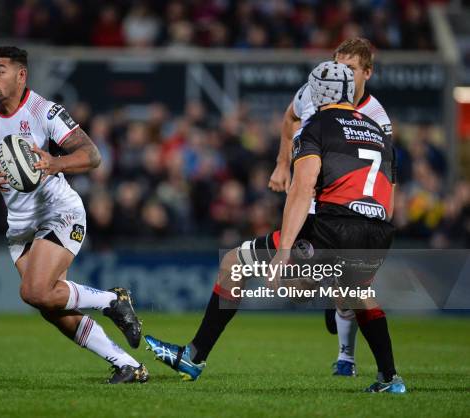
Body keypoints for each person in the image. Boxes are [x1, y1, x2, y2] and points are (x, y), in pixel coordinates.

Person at [145, 61, 406, 394]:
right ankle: (389, 379)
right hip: (379, 232)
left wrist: (284, 253)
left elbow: (301, 191)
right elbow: (390, 200)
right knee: (359, 295)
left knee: (234, 265)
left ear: (317, 92)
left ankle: (193, 356)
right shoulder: (378, 132)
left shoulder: (316, 127)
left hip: (333, 228)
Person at [0, 46, 148, 384]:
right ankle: (128, 365)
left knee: (35, 291)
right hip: (20, 227)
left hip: (60, 212)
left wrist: (56, 163)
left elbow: (92, 155)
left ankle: (111, 301)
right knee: (51, 307)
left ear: (21, 75)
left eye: (0, 71)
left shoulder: (45, 111)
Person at [268, 37, 393, 377]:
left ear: (367, 72)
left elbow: (381, 177)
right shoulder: (315, 91)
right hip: (329, 207)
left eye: (350, 68)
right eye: (338, 65)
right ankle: (383, 373)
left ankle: (346, 358)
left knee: (326, 289)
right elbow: (289, 117)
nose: (342, 74)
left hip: (339, 208)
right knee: (339, 290)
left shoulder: (377, 118)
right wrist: (282, 164)